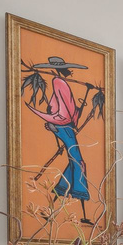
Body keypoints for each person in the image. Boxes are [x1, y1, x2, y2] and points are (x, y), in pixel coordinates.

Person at [25, 56, 93, 224]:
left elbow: (67, 105)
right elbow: (64, 107)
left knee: (74, 165)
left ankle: (51, 210)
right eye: (68, 68)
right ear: (61, 69)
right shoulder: (59, 82)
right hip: (63, 125)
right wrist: (66, 119)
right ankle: (78, 205)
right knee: (79, 164)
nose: (70, 71)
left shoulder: (60, 82)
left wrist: (78, 110)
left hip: (65, 125)